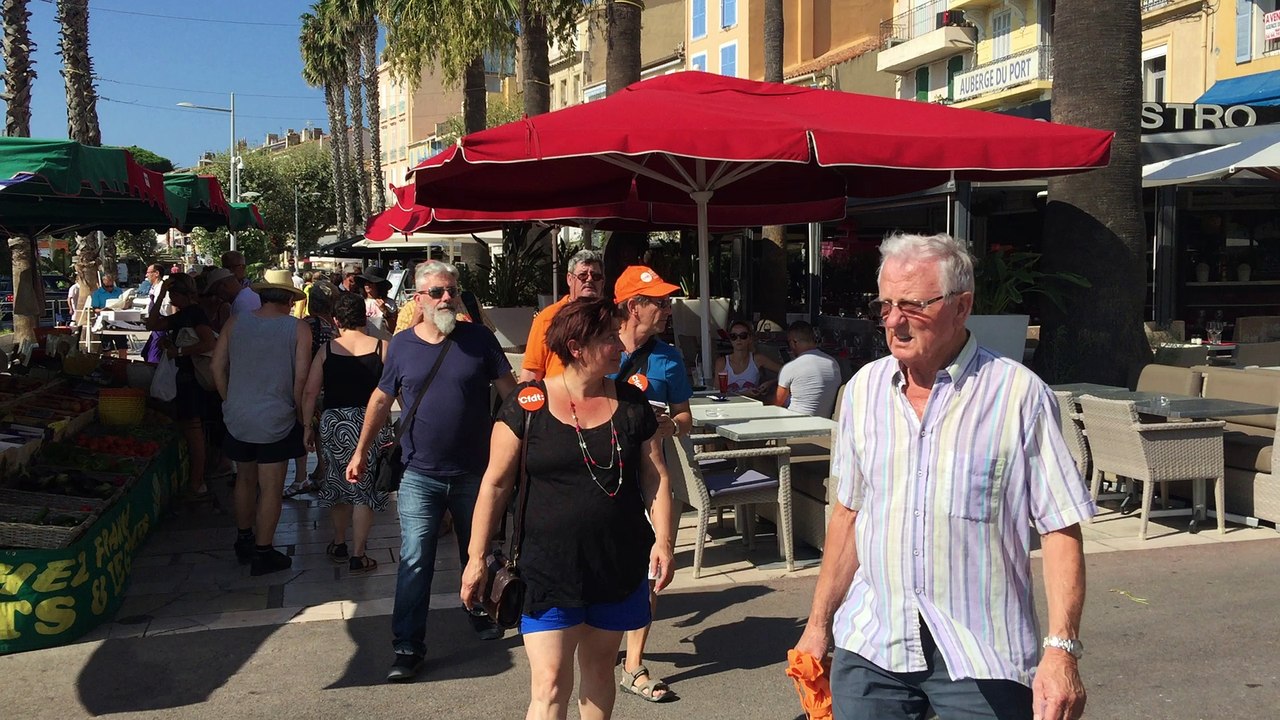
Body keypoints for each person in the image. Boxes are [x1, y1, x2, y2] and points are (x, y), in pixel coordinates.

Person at [792, 232, 1094, 720]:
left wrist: (1061, 652)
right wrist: (819, 623)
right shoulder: (864, 390)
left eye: (912, 305)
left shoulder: (1019, 396)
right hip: (872, 644)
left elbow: (1060, 527)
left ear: (962, 306)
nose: (893, 321)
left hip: (981, 656)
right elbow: (849, 513)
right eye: (885, 305)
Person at [461, 298, 675, 720]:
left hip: (617, 563)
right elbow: (496, 483)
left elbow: (657, 478)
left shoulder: (632, 405)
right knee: (551, 684)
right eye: (609, 337)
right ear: (577, 347)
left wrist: (664, 541)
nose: (620, 344)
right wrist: (475, 558)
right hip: (547, 568)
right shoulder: (527, 404)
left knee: (599, 673)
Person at [345, 260, 516, 682]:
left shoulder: (480, 339)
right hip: (419, 472)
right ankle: (407, 646)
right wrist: (361, 451)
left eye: (452, 292)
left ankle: (478, 610)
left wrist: (524, 440)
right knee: (415, 559)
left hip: (475, 471)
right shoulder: (401, 345)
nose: (447, 299)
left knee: (476, 552)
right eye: (437, 292)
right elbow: (381, 401)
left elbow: (511, 396)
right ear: (417, 299)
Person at [611, 264, 691, 704]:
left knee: (653, 567)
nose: (667, 308)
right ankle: (605, 645)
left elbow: (685, 417)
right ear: (632, 306)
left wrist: (665, 429)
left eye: (666, 300)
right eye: (658, 301)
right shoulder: (598, 349)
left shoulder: (669, 357)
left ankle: (633, 662)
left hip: (652, 472)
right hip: (600, 474)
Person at [211, 269, 312, 577]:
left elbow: (217, 365)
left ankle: (244, 538)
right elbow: (301, 379)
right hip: (276, 416)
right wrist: (301, 416)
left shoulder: (236, 321)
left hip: (238, 414)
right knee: (271, 486)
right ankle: (264, 551)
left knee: (244, 478)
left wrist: (229, 399)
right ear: (290, 300)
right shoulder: (298, 329)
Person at [301, 293, 389, 572]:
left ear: (336, 320)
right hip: (370, 422)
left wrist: (306, 426)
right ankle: (359, 553)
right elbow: (397, 388)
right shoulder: (382, 348)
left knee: (338, 483)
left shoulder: (326, 350)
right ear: (364, 317)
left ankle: (339, 542)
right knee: (364, 487)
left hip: (335, 422)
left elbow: (311, 391)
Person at [145, 273, 216, 499]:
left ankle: (198, 480)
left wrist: (180, 351)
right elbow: (152, 323)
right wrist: (162, 293)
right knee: (192, 428)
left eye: (173, 293)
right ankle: (198, 478)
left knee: (193, 428)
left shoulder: (195, 313)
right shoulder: (182, 315)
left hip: (192, 378)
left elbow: (208, 342)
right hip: (184, 376)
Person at [284, 280, 337, 498]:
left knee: (303, 429)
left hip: (305, 386)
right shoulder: (332, 328)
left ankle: (301, 477)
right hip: (327, 387)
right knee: (320, 434)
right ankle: (322, 472)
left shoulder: (304, 325)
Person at [519, 249, 605, 382]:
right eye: (582, 275)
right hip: (556, 399)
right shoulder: (548, 317)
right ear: (570, 279)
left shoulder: (607, 318)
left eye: (596, 276)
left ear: (603, 282)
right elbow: (531, 373)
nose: (589, 280)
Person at [775, 321, 842, 417]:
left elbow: (777, 404)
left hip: (794, 423)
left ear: (793, 342)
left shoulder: (791, 367)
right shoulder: (833, 363)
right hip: (824, 421)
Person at [714, 320, 783, 400]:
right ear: (730, 339)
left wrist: (770, 383)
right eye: (733, 336)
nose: (738, 339)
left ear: (750, 338)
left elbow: (788, 372)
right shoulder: (722, 363)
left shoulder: (757, 359)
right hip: (729, 407)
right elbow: (717, 393)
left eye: (743, 336)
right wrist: (744, 394)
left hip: (753, 406)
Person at [89, 272, 127, 358]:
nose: (109, 288)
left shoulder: (118, 291)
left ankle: (124, 364)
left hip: (118, 320)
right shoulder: (97, 293)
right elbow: (95, 309)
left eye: (111, 286)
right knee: (107, 347)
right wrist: (102, 310)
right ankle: (108, 364)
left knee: (123, 346)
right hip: (105, 321)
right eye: (107, 286)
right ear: (103, 284)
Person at [360, 265, 397, 334]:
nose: (367, 284)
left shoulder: (389, 303)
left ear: (379, 284)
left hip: (384, 341)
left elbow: (393, 329)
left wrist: (385, 311)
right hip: (365, 341)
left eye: (371, 282)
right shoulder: (359, 301)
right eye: (365, 282)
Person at [221, 251, 261, 315]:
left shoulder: (251, 287)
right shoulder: (220, 289)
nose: (244, 268)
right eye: (241, 266)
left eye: (244, 266)